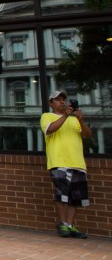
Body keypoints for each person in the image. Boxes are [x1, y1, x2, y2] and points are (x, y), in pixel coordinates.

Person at [40, 89, 92, 239]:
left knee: (75, 197)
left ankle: (70, 225)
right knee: (61, 194)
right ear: (51, 103)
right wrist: (65, 116)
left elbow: (87, 135)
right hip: (59, 161)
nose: (62, 102)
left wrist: (81, 120)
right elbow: (50, 129)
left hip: (77, 163)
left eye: (63, 99)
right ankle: (62, 223)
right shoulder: (47, 116)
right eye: (58, 99)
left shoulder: (74, 120)